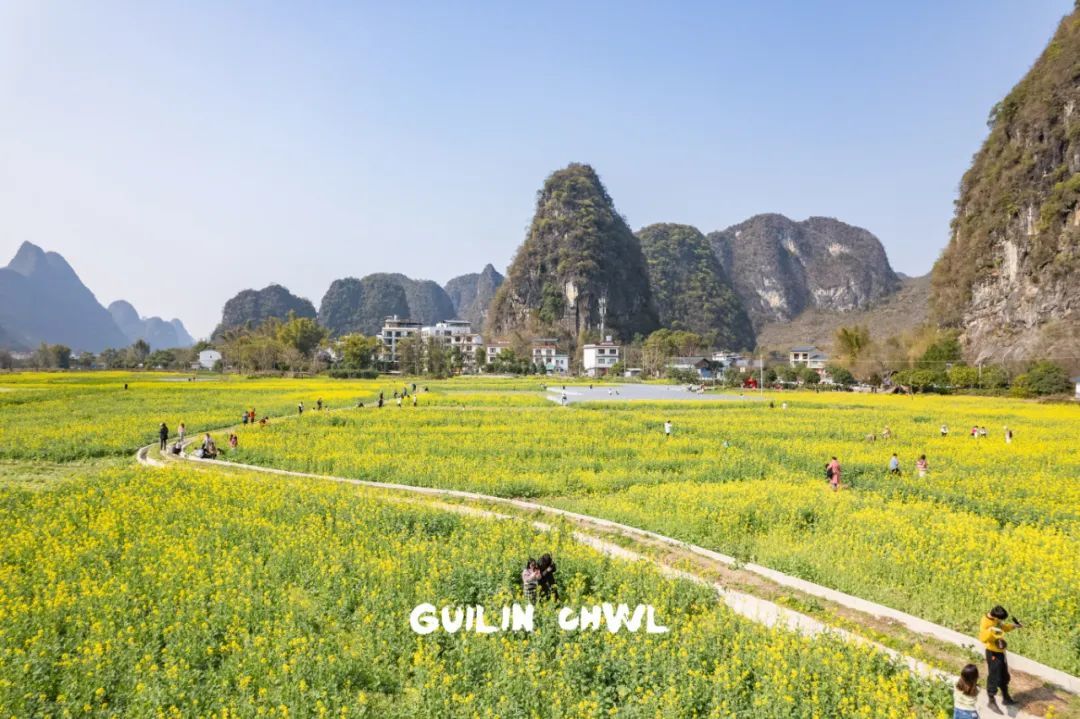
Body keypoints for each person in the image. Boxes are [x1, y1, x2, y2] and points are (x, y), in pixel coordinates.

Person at [980, 605, 1021, 712]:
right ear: (995, 616)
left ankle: (1006, 698)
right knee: (994, 676)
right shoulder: (985, 621)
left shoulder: (996, 620)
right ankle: (991, 700)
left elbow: (1003, 627)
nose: (1001, 621)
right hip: (992, 652)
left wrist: (1015, 626)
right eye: (1000, 619)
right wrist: (990, 631)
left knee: (1004, 675)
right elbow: (982, 638)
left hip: (1000, 652)